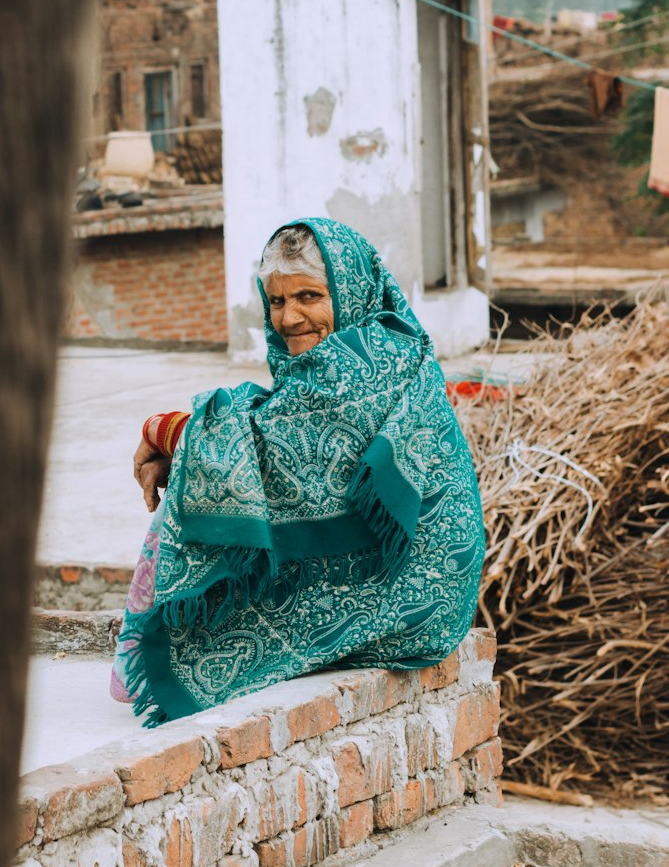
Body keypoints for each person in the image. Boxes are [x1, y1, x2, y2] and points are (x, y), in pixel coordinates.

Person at [110, 217, 485, 724]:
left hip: (408, 598)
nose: (289, 318)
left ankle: (146, 662)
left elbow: (269, 447)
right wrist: (189, 438)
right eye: (278, 301)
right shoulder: (394, 343)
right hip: (411, 589)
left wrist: (163, 430)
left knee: (209, 477)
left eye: (309, 296)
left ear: (348, 290)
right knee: (214, 466)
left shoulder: (369, 358)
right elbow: (273, 427)